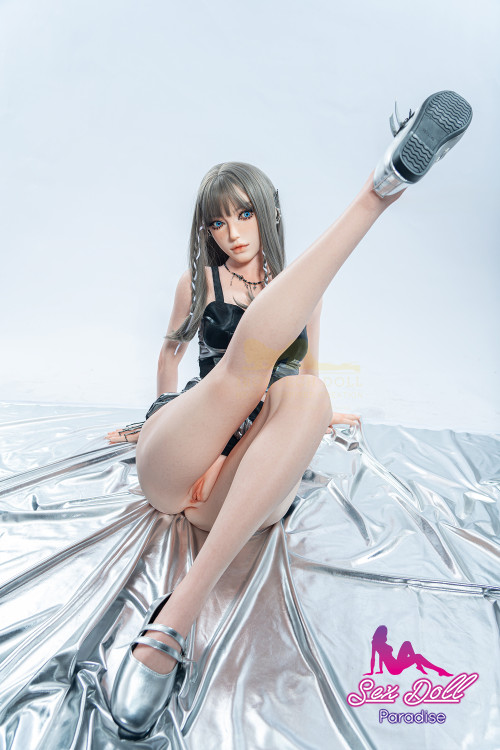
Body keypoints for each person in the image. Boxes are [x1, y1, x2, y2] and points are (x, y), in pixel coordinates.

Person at [106, 90, 472, 738]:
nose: (232, 233)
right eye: (217, 223)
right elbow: (171, 354)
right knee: (243, 369)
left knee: (308, 393)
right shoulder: (199, 282)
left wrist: (319, 415)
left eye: (244, 214)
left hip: (240, 484)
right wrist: (152, 420)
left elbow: (307, 374)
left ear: (266, 213)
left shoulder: (298, 292)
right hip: (186, 446)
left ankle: (389, 178)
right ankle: (376, 193)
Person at [363, 625, 453, 677]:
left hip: (396, 663)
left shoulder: (380, 643)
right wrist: (372, 671)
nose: (386, 634)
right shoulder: (376, 644)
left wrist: (381, 670)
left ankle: (419, 665)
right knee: (418, 656)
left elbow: (381, 658)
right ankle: (439, 670)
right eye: (385, 633)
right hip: (394, 669)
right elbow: (374, 658)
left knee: (407, 643)